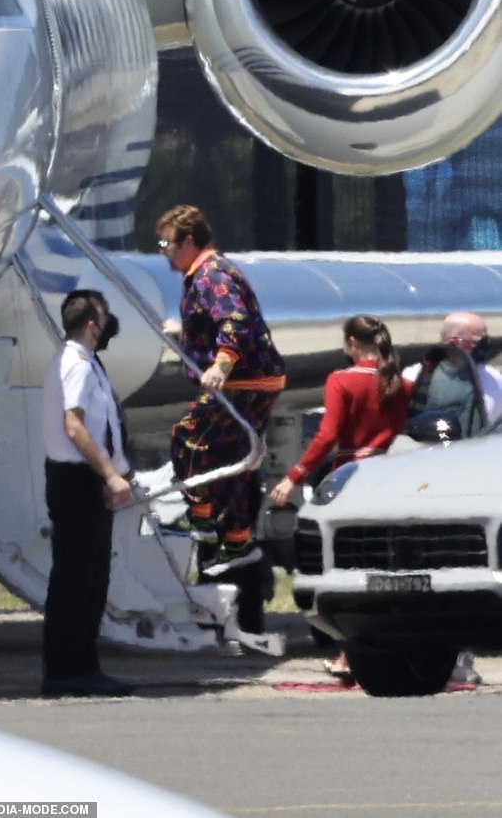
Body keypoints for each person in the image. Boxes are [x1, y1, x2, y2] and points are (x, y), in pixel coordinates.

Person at [269, 315, 412, 678]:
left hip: (348, 478)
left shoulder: (341, 380)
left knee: (345, 570)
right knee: (384, 567)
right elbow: (396, 430)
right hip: (389, 474)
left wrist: (293, 477)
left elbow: (326, 436)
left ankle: (349, 655)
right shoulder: (398, 382)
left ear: (351, 343)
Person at [156, 204, 286, 579]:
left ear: (189, 241)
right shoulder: (207, 274)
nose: (163, 250)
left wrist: (221, 365)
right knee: (232, 460)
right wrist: (185, 333)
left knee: (187, 437)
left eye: (168, 242)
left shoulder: (212, 274)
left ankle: (200, 517)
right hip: (257, 378)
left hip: (243, 381)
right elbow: (218, 321)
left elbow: (234, 320)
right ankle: (236, 536)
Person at [42, 289, 134, 697]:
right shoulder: (76, 365)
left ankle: (79, 665)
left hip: (81, 477)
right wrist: (111, 475)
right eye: (106, 315)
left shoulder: (83, 362)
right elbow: (75, 426)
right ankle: (69, 669)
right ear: (94, 324)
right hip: (77, 479)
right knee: (78, 580)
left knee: (89, 577)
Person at [403, 310, 502, 686]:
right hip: (424, 492)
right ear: (456, 343)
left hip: (478, 493)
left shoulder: (493, 380)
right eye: (480, 340)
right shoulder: (418, 380)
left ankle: (462, 657)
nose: (486, 346)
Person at [403, 311, 502, 426]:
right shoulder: (414, 377)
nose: (483, 347)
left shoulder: (494, 379)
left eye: (485, 341)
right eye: (475, 342)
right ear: (453, 343)